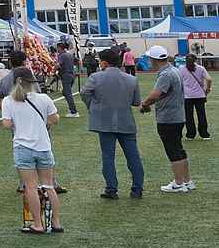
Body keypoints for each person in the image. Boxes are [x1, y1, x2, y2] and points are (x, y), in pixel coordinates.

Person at [2, 67, 64, 233]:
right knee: (49, 186)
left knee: (30, 187)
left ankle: (38, 223)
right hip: (43, 146)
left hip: (22, 147)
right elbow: (54, 119)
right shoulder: (44, 98)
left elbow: (6, 124)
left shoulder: (8, 101)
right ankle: (56, 222)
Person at [83, 47, 144, 199]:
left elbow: (85, 93)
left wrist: (93, 106)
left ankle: (111, 189)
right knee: (133, 156)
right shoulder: (131, 79)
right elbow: (136, 102)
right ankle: (137, 188)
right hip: (126, 121)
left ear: (104, 62)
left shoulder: (96, 77)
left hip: (104, 121)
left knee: (108, 157)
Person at [140, 46, 194, 193]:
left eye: (150, 58)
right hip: (177, 116)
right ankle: (187, 181)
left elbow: (155, 94)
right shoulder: (174, 70)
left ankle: (178, 183)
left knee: (173, 151)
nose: (149, 61)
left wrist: (144, 104)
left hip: (168, 118)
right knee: (179, 149)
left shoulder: (165, 75)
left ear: (155, 60)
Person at [180, 52, 211, 140]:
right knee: (202, 115)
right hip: (200, 95)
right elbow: (209, 79)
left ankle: (190, 134)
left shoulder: (181, 69)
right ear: (195, 60)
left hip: (187, 96)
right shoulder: (201, 68)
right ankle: (204, 134)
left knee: (188, 116)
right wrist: (207, 89)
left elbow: (179, 81)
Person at [56, 42, 80, 116]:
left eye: (57, 48)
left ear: (60, 48)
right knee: (65, 93)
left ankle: (74, 111)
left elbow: (58, 65)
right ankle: (71, 109)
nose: (57, 49)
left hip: (66, 75)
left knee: (68, 94)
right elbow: (78, 61)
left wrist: (54, 69)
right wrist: (78, 70)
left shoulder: (62, 55)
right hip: (72, 75)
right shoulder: (69, 54)